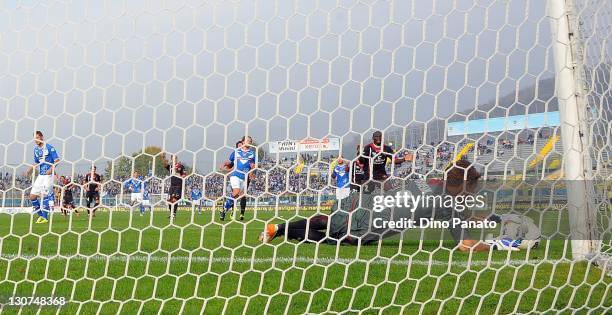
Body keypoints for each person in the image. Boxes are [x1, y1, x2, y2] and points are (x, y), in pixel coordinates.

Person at [260, 160, 502, 252]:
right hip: (372, 224)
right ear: (463, 183)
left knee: (328, 219)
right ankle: (282, 232)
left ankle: (277, 228)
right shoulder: (447, 203)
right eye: (473, 185)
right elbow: (465, 245)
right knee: (335, 239)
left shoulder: (430, 183)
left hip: (365, 201)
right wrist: (497, 245)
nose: (474, 190)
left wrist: (488, 220)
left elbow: (456, 217)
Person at [25, 131, 60, 224]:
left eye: (38, 138)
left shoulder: (49, 147)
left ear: (42, 137)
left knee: (44, 194)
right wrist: (30, 169)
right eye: (35, 138)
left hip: (48, 175)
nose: (36, 140)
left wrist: (51, 169)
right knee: (32, 196)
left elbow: (57, 160)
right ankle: (40, 215)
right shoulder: (36, 150)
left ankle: (45, 217)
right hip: (41, 175)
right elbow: (37, 162)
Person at [220, 136, 256, 221]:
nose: (249, 142)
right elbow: (229, 161)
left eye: (250, 141)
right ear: (243, 142)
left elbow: (252, 165)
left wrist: (251, 173)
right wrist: (224, 165)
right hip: (235, 175)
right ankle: (225, 209)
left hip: (244, 178)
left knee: (236, 196)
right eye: (248, 140)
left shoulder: (252, 153)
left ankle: (224, 210)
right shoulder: (236, 152)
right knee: (236, 191)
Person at [163, 154, 186, 219]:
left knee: (174, 199)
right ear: (171, 159)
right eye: (172, 159)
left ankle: (174, 214)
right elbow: (165, 164)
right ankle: (172, 214)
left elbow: (184, 175)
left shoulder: (181, 166)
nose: (174, 160)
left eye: (175, 158)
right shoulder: (171, 167)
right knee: (169, 201)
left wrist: (178, 174)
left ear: (176, 159)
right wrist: (163, 157)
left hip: (178, 185)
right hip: (172, 186)